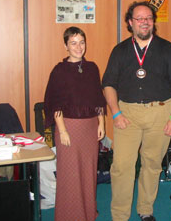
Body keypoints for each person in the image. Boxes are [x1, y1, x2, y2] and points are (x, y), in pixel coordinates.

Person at [102, 1, 171, 221]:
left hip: (160, 113)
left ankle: (145, 209)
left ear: (153, 21)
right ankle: (120, 215)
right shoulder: (120, 51)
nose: (144, 22)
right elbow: (108, 84)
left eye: (148, 18)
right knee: (121, 167)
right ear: (130, 23)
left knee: (152, 165)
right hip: (127, 114)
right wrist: (116, 113)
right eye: (139, 18)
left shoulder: (168, 49)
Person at [44, 26, 106, 221]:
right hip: (68, 127)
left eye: (81, 42)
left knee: (89, 173)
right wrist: (62, 130)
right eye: (73, 43)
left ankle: (88, 212)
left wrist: (101, 124)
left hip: (90, 128)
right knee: (69, 174)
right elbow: (55, 103)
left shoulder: (92, 68)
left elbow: (98, 98)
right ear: (65, 46)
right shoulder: (59, 71)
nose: (78, 47)